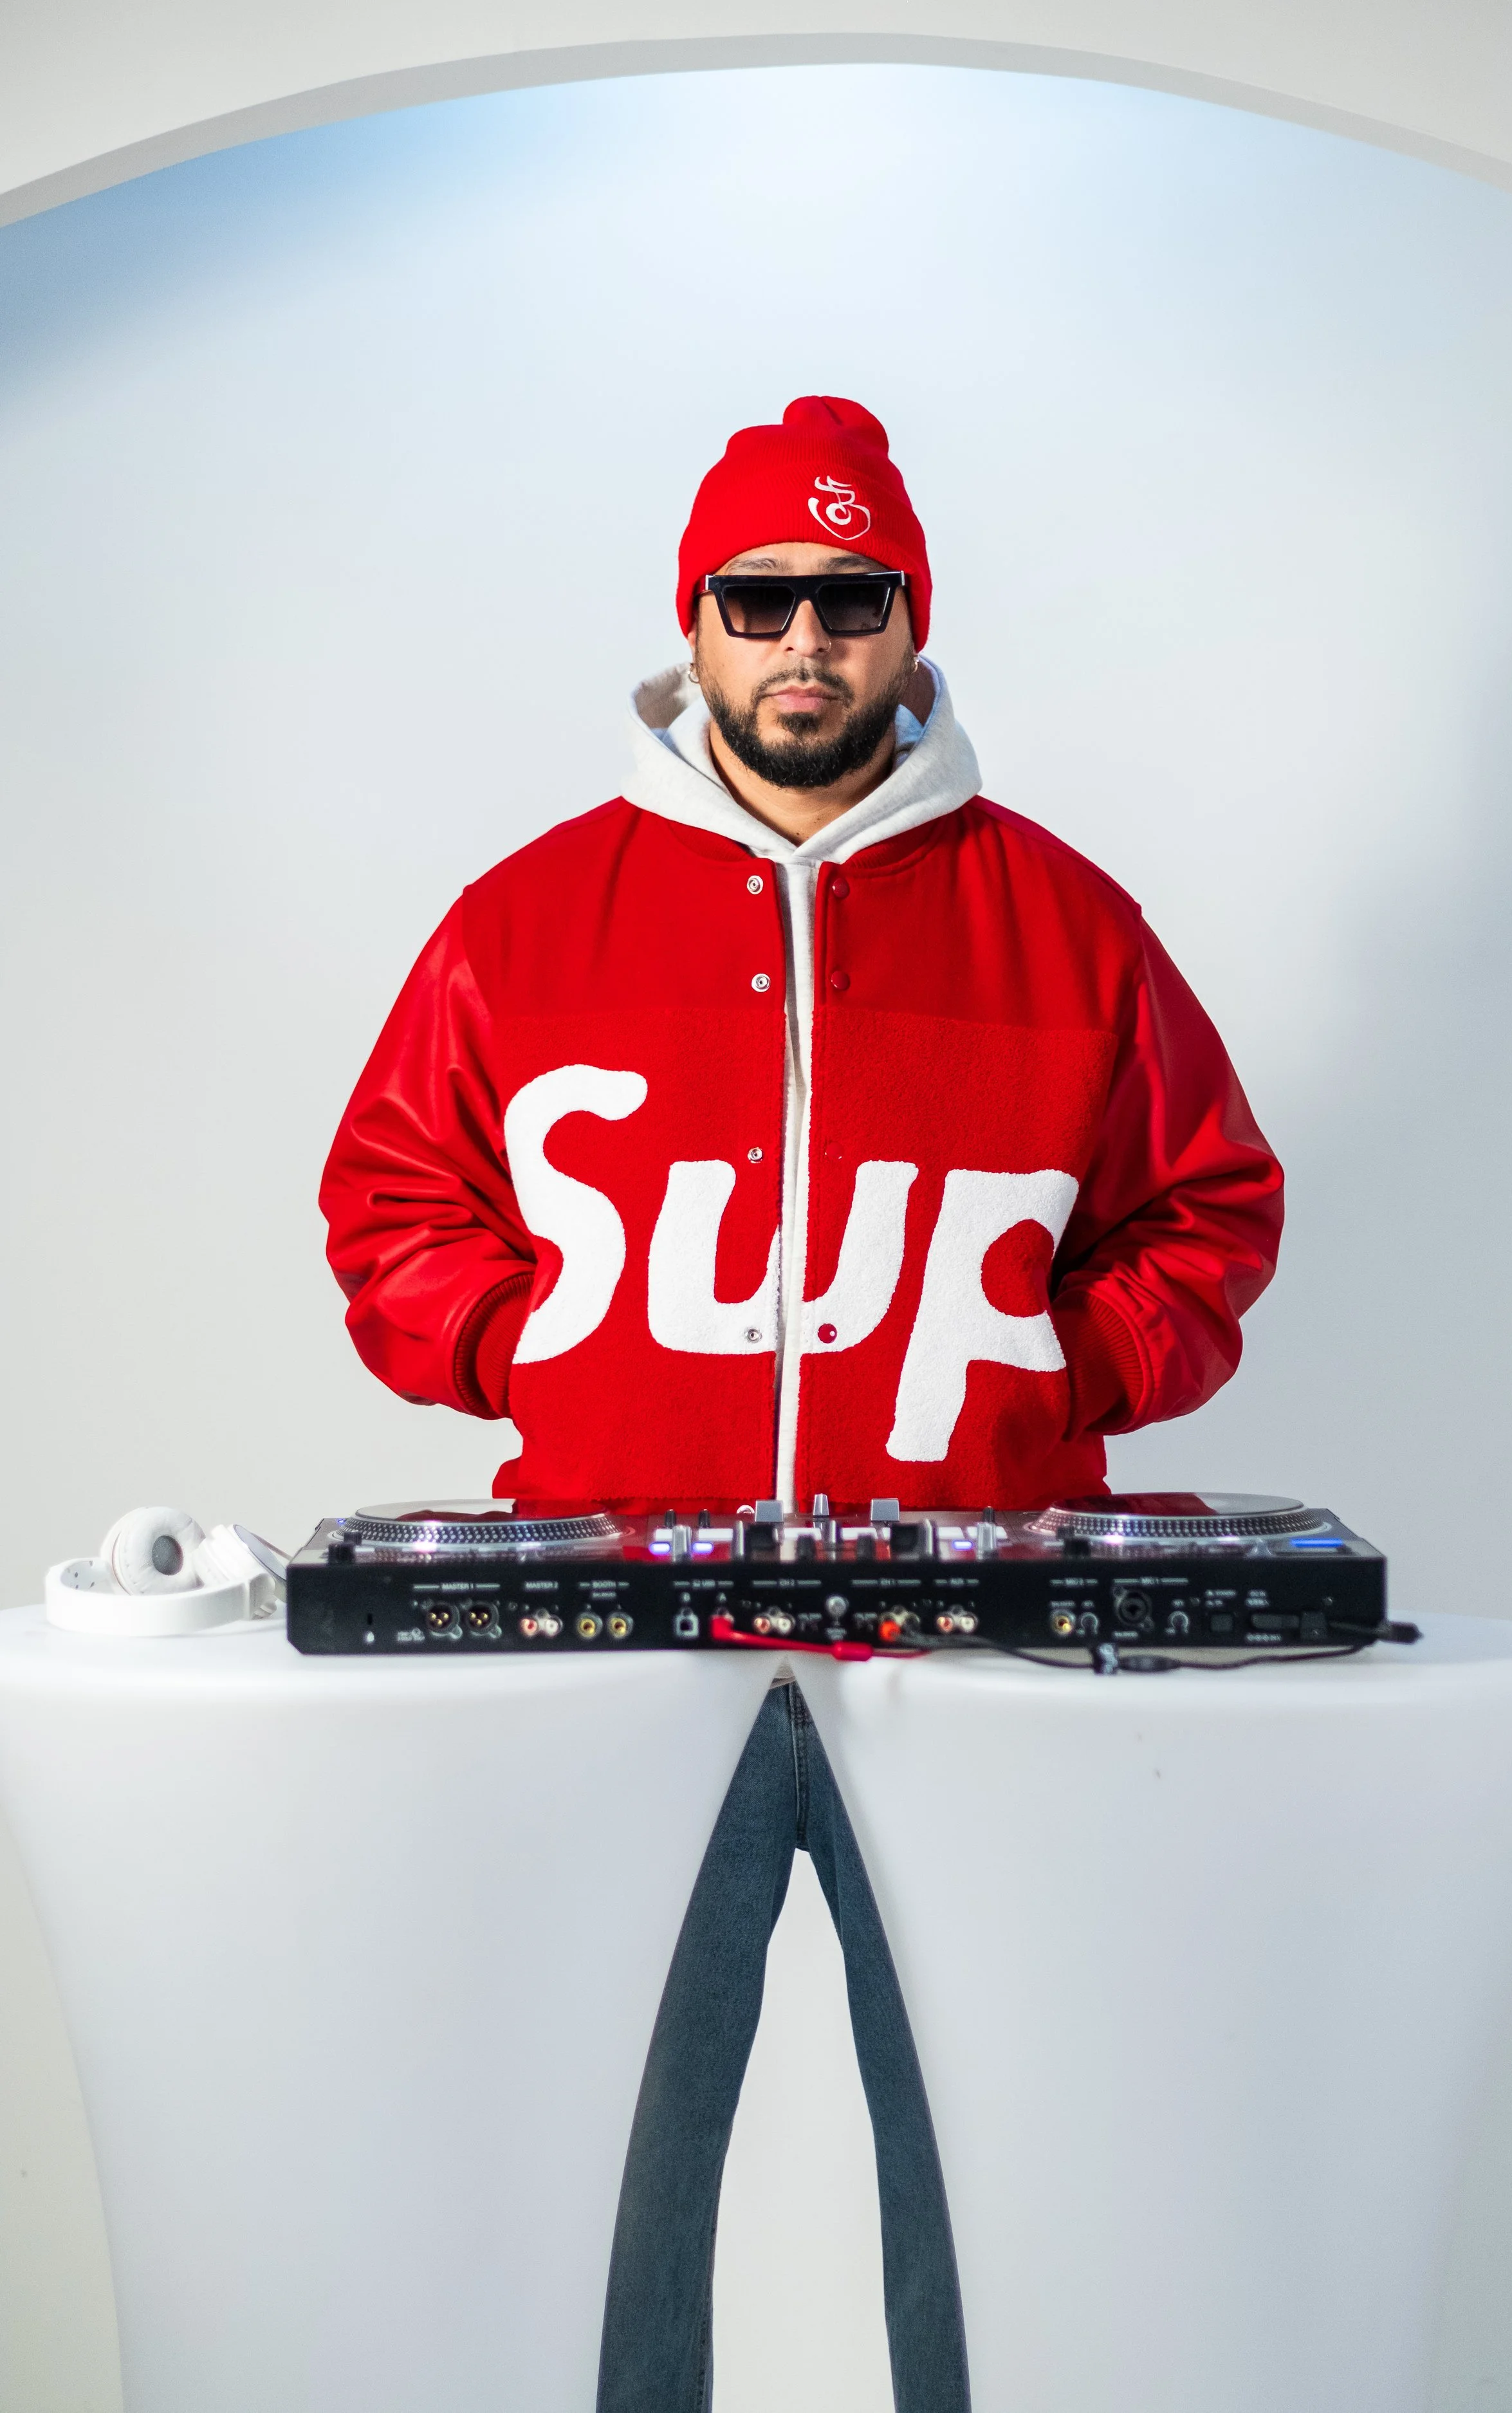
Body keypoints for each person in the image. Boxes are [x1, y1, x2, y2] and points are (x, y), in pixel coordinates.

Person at [320, 395, 1284, 2412]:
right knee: (608, 2190)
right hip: (624, 1634)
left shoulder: (1067, 925)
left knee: (1001, 2199)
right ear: (695, 624)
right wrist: (535, 1357)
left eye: (850, 599)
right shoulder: (526, 922)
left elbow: (1211, 1209)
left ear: (910, 628)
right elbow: (392, 1202)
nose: (804, 642)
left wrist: (1062, 1382)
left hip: (970, 1638)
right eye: (759, 599)